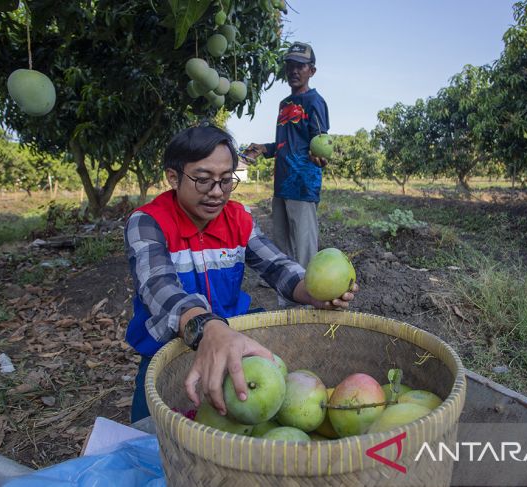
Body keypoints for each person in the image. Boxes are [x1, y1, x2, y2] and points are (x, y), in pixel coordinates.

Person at [124, 124, 356, 423]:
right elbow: (159, 287)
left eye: (226, 180)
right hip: (165, 354)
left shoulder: (239, 219)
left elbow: (277, 267)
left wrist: (311, 291)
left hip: (235, 347)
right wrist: (209, 328)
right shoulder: (148, 222)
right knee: (149, 438)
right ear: (173, 177)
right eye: (204, 180)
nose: (217, 193)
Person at [244, 41, 329, 271]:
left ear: (312, 71)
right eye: (290, 65)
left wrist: (319, 158)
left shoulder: (315, 102)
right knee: (282, 248)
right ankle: (288, 298)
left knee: (304, 251)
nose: (294, 70)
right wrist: (264, 148)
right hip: (281, 184)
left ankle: (310, 299)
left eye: (300, 66)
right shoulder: (285, 104)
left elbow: (320, 142)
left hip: (302, 185)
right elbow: (287, 143)